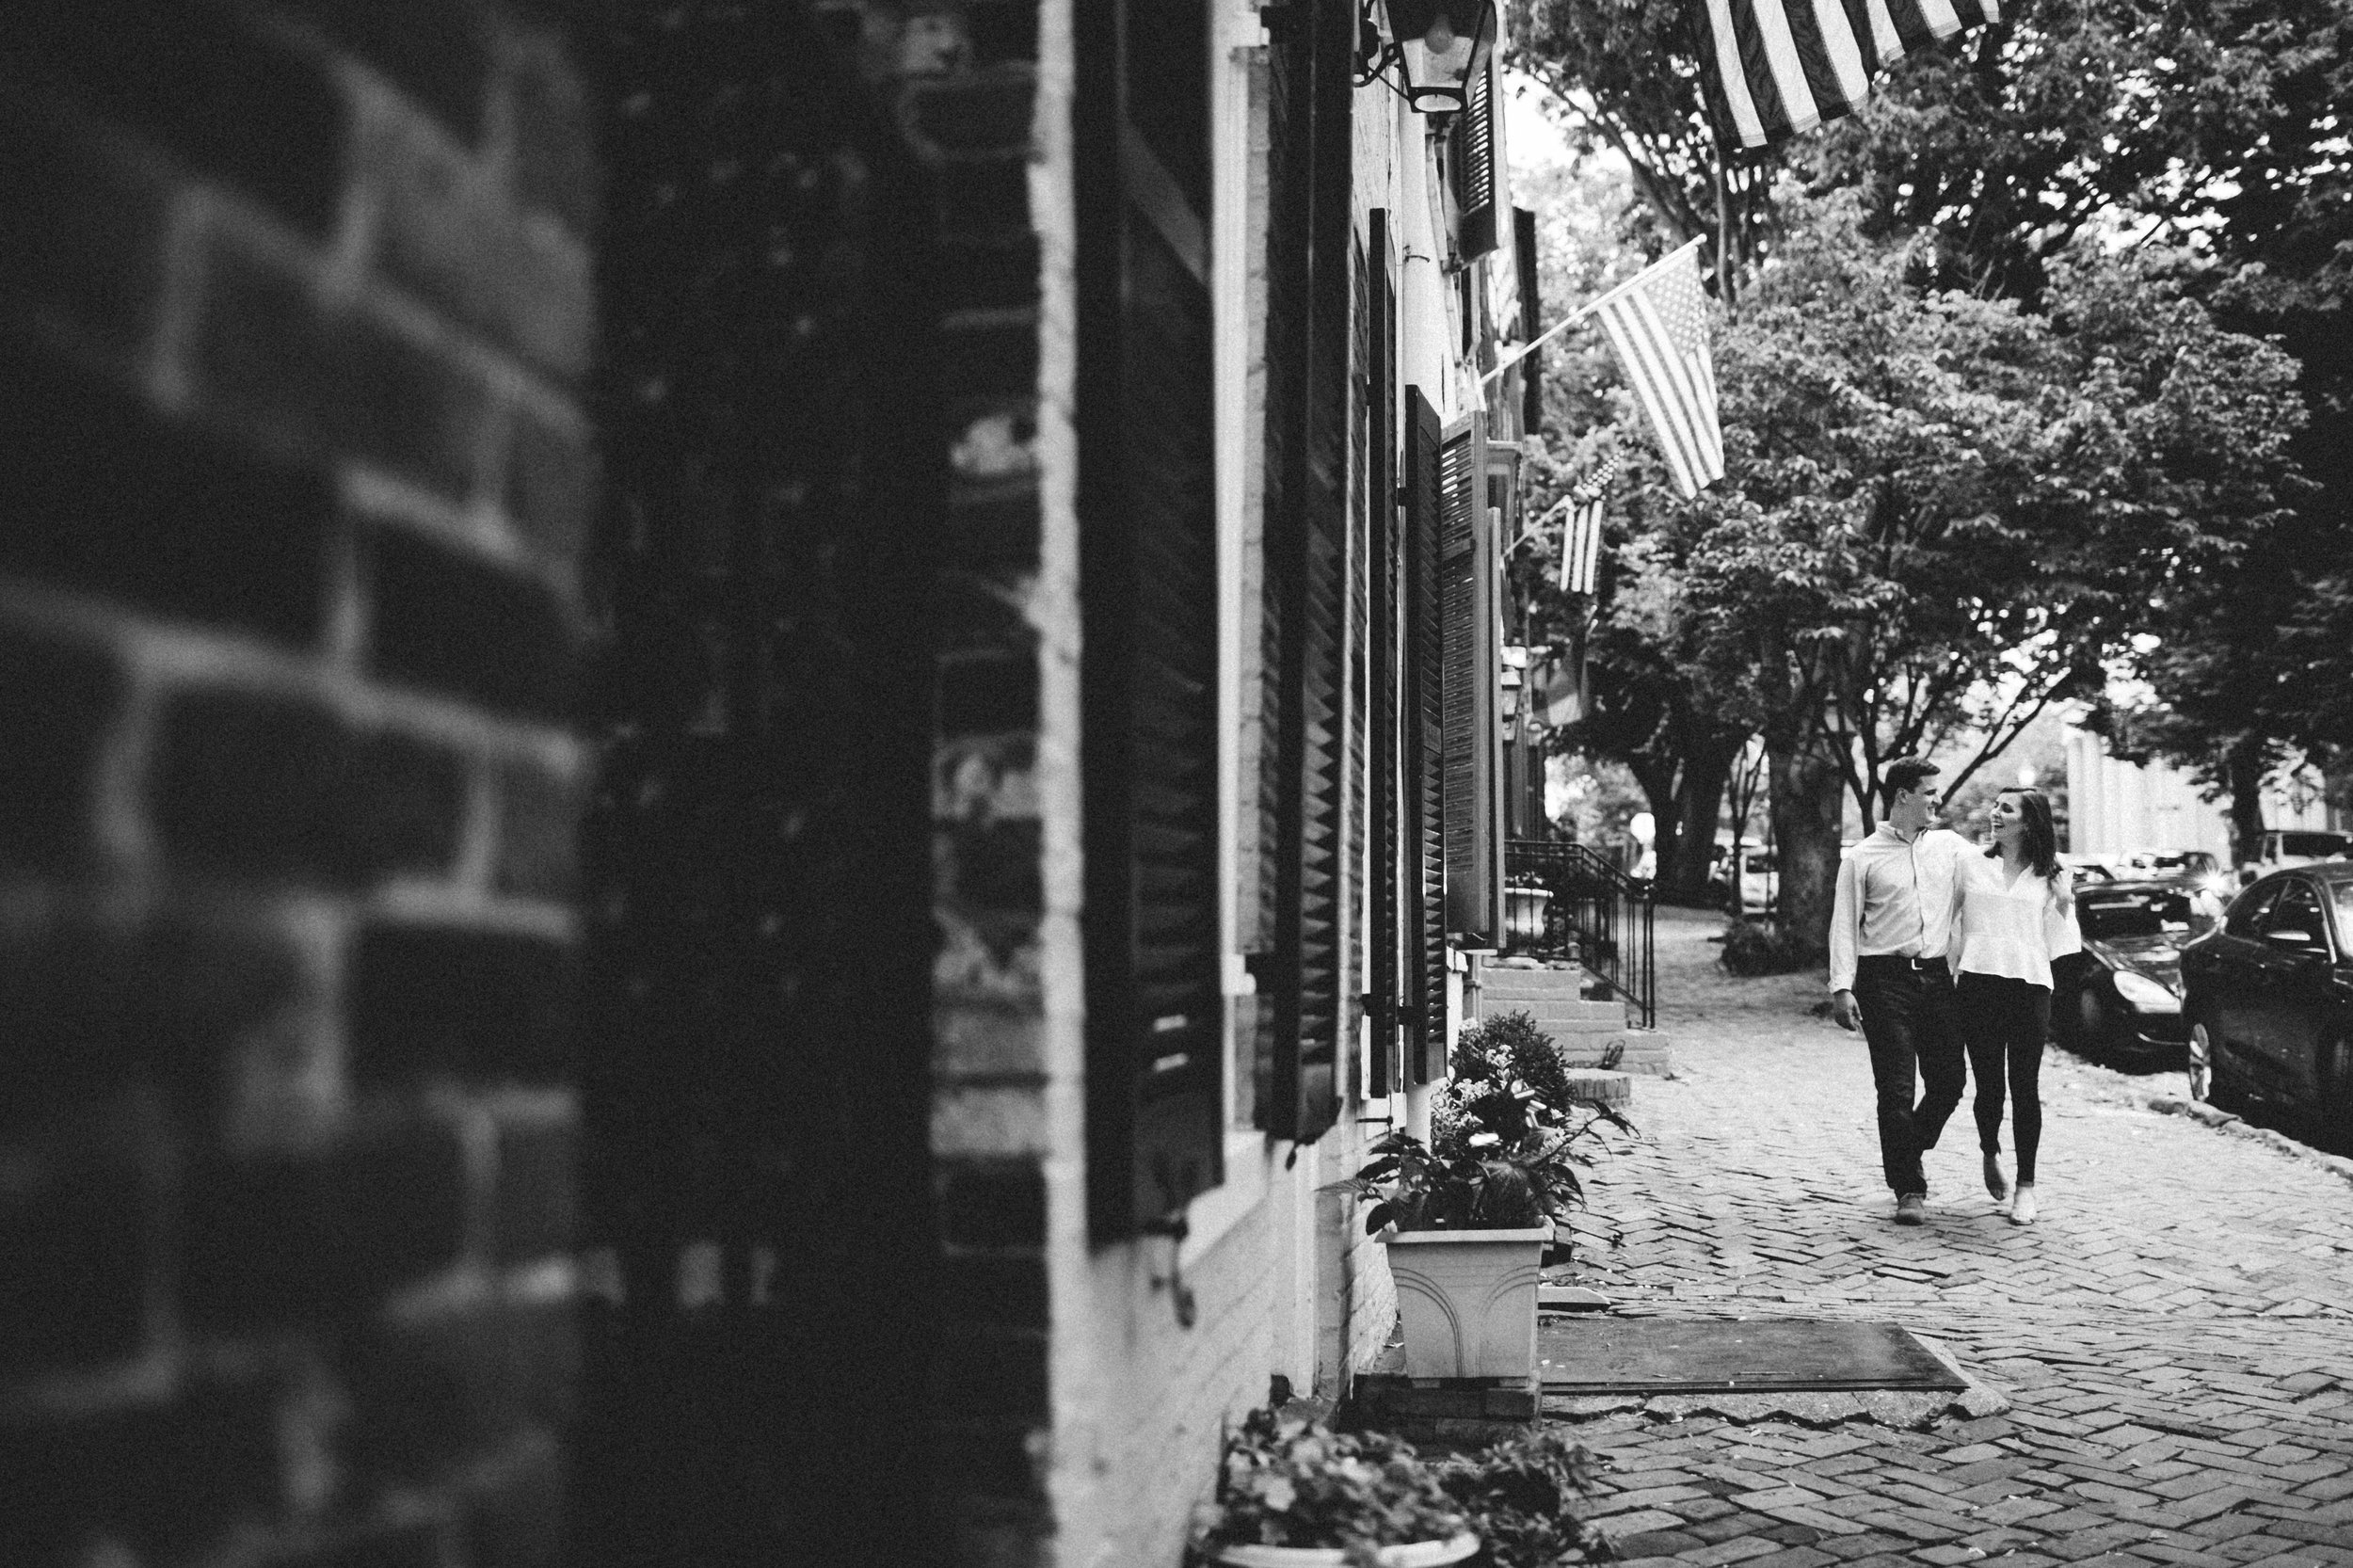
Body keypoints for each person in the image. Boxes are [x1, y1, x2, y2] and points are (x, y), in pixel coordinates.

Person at [1829, 757, 1977, 1224]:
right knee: (1895, 1088)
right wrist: (1841, 987)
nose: (1939, 799)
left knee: (1951, 1081)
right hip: (1882, 981)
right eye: (1930, 791)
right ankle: (1908, 1188)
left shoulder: (1952, 848)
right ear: (1903, 796)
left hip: (1936, 978)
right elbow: (1844, 926)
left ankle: (1906, 1148)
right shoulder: (1862, 857)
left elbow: (1997, 873)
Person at [1949, 787, 2079, 1226]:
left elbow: (2060, 946)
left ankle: (2027, 1186)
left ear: (2029, 821)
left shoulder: (2055, 873)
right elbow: (1950, 922)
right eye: (1994, 806)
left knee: (2024, 1086)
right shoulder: (1971, 863)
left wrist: (2064, 901)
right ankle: (1990, 1151)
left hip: (2029, 987)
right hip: (1979, 983)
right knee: (1988, 1086)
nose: (1994, 813)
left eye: (2006, 809)